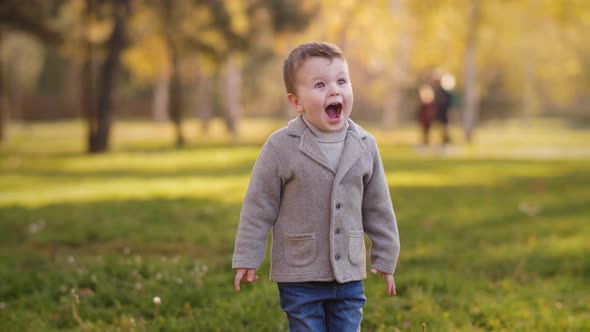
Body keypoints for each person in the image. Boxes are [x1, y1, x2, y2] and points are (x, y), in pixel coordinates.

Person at [232, 42, 401, 331]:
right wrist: (248, 256)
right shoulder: (281, 146)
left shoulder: (365, 145)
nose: (335, 90)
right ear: (296, 102)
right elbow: (259, 204)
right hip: (300, 275)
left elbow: (378, 206)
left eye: (342, 81)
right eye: (320, 84)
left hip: (348, 275)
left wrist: (385, 255)